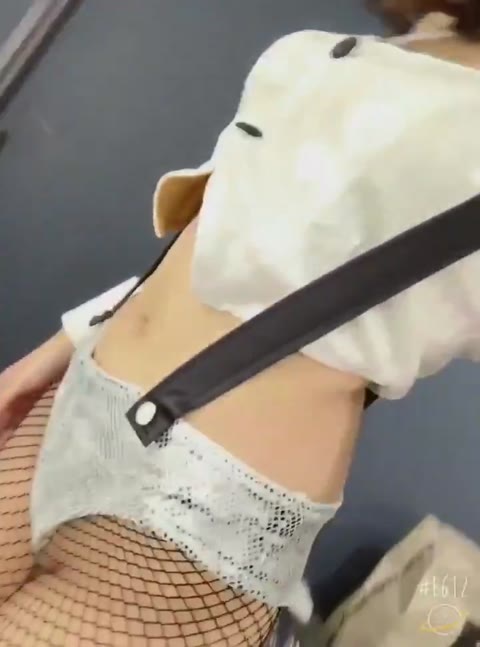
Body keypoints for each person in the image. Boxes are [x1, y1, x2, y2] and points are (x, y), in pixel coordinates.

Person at [1, 1, 480, 644]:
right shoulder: (356, 50)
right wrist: (54, 351)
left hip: (201, 512)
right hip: (75, 400)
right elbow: (224, 251)